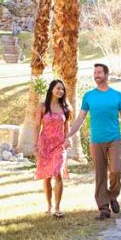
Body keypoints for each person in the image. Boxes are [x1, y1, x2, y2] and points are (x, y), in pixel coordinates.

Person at [66, 63, 121, 219]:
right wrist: (68, 134)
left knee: (115, 170)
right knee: (100, 174)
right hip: (96, 141)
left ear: (106, 75)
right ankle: (103, 208)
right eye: (95, 72)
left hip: (114, 139)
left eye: (99, 72)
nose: (96, 75)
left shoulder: (117, 95)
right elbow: (80, 118)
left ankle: (112, 195)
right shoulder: (89, 96)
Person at [35, 79, 71, 218]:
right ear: (51, 90)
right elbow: (37, 126)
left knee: (58, 174)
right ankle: (49, 205)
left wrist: (68, 139)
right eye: (58, 88)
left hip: (59, 146)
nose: (60, 91)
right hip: (45, 145)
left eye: (62, 89)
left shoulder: (66, 108)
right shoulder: (43, 107)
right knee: (47, 176)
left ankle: (57, 207)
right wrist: (35, 145)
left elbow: (67, 128)